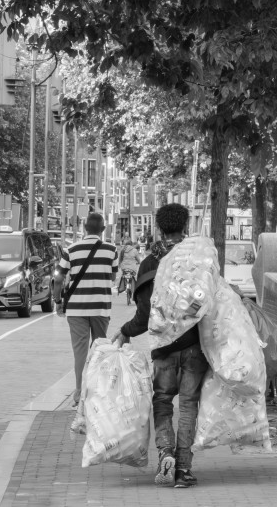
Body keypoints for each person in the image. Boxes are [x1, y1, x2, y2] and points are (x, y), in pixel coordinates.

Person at [110, 203, 209, 489]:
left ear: (159, 228)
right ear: (185, 226)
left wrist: (125, 331)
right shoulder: (196, 259)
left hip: (164, 347)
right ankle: (184, 467)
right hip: (194, 345)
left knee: (163, 401)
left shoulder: (150, 263)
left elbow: (144, 316)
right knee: (188, 404)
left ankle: (165, 452)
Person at [52, 213, 118, 406]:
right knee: (99, 350)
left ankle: (79, 392)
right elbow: (113, 277)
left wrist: (58, 301)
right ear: (103, 229)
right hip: (101, 308)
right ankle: (97, 391)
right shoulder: (112, 250)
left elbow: (58, 279)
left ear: (84, 227)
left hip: (76, 309)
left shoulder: (70, 250)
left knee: (79, 352)